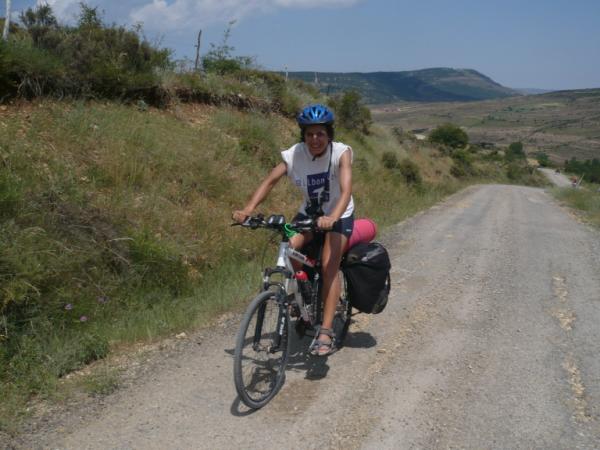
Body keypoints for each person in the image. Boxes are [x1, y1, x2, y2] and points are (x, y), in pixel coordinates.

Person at [232, 104, 354, 356]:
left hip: (339, 215)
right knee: (289, 249)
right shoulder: (295, 154)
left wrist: (332, 217)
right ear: (303, 135)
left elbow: (345, 191)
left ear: (329, 134)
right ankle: (304, 293)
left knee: (329, 266)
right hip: (309, 213)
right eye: (309, 134)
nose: (315, 139)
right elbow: (270, 180)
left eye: (320, 134)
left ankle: (325, 331)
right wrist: (248, 209)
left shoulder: (341, 153)